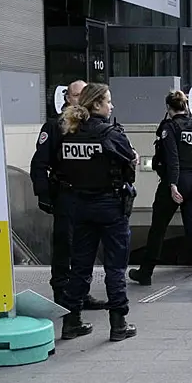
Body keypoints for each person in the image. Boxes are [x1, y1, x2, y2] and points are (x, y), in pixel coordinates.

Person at [58, 83, 138, 342]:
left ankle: (72, 321)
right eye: (108, 102)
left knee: (80, 267)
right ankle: (118, 324)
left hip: (80, 206)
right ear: (96, 105)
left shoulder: (69, 132)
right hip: (110, 206)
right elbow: (130, 162)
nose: (111, 106)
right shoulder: (110, 134)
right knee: (115, 267)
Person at [129, 91, 192, 290]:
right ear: (185, 106)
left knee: (158, 229)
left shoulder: (170, 127)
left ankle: (146, 273)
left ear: (168, 108)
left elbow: (172, 159)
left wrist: (172, 185)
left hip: (176, 182)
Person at [30, 79, 106, 310]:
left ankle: (81, 293)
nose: (80, 101)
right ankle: (62, 295)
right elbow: (39, 164)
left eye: (84, 96)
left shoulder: (94, 127)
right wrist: (43, 194)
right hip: (66, 196)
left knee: (85, 249)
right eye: (76, 96)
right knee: (65, 247)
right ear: (67, 98)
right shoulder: (55, 127)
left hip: (89, 198)